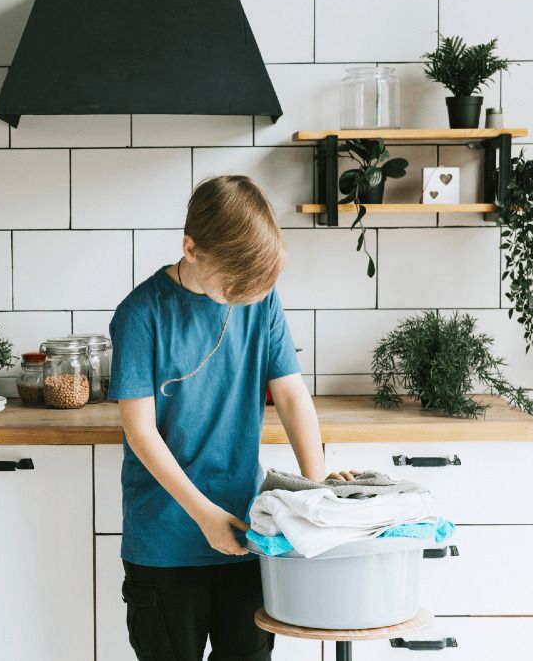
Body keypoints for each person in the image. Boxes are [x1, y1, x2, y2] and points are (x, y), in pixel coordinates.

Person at [109, 175, 356, 661]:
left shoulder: (257, 298)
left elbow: (291, 395)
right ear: (191, 249)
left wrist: (317, 487)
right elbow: (140, 431)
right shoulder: (140, 314)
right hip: (165, 544)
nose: (245, 296)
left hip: (248, 530)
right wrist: (206, 517)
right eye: (234, 285)